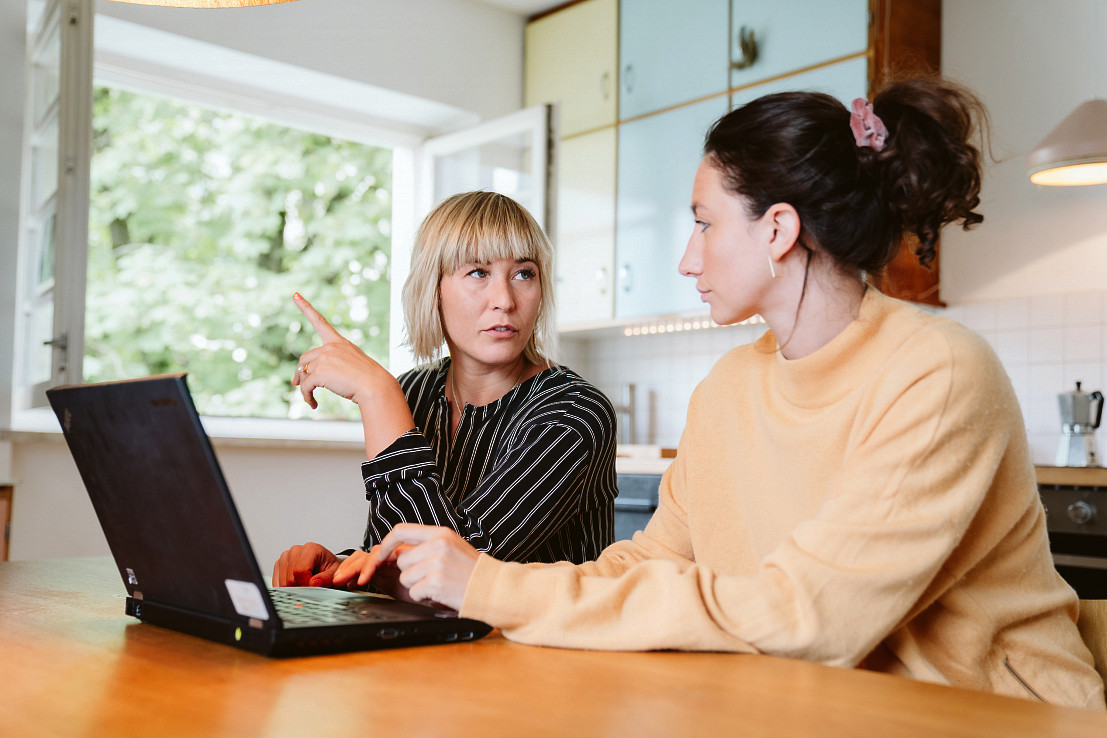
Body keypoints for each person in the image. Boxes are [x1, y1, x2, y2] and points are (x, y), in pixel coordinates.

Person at [331, 78, 1106, 709]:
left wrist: (492, 583)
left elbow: (811, 616)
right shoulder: (731, 385)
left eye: (702, 224)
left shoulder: (936, 370)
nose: (685, 257)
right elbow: (648, 562)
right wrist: (479, 585)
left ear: (775, 231)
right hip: (819, 702)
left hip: (993, 713)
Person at [272, 191, 618, 587]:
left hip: (538, 645)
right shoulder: (414, 391)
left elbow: (454, 573)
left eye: (524, 273)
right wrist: (347, 565)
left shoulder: (575, 413)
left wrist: (376, 392)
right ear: (433, 288)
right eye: (478, 272)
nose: (504, 300)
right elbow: (396, 549)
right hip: (437, 642)